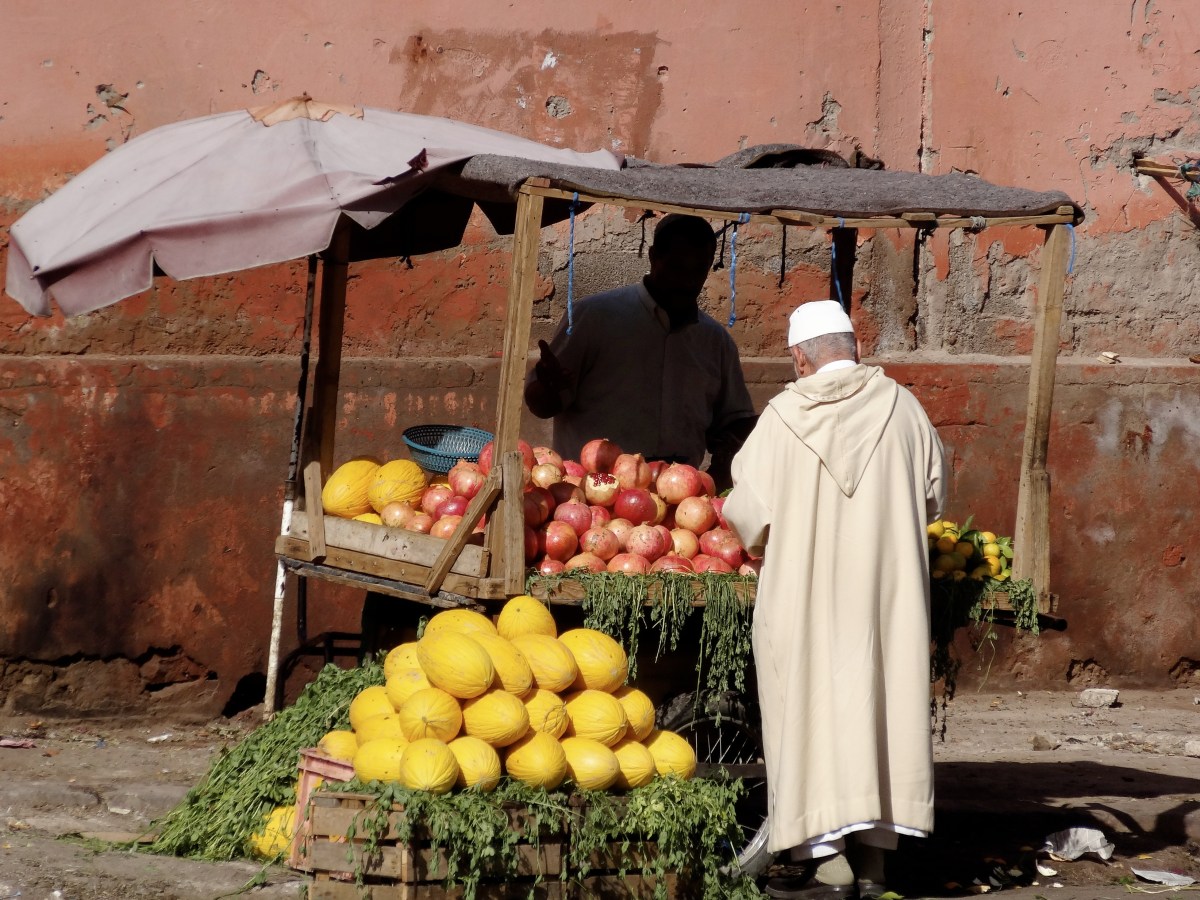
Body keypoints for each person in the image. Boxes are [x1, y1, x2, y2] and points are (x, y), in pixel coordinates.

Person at [722, 300, 948, 900]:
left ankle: (829, 864)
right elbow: (932, 498)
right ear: (851, 347)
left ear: (800, 356)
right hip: (886, 598)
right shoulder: (906, 408)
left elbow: (748, 517)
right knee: (882, 713)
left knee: (811, 714)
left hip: (806, 600)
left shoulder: (781, 417)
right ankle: (874, 868)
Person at [523, 213, 756, 489]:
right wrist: (547, 387)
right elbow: (542, 404)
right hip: (597, 491)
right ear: (653, 257)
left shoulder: (716, 342)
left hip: (678, 500)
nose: (687, 281)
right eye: (677, 267)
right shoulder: (594, 318)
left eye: (698, 270)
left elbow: (734, 422)